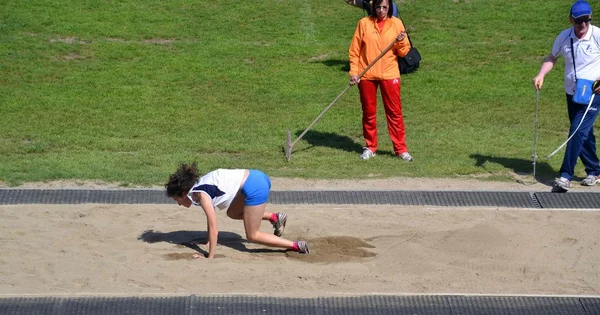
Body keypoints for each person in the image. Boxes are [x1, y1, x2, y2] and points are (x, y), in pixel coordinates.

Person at [165, 163, 310, 258]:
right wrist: (207, 243)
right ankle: (275, 217)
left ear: (183, 193)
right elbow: (210, 221)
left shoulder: (201, 195)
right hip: (255, 177)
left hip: (254, 185)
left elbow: (214, 227)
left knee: (252, 235)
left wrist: (209, 257)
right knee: (232, 213)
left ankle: (296, 245)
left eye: (176, 200)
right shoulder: (199, 187)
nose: (178, 204)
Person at [533, 0, 600, 192]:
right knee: (583, 134)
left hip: (594, 93)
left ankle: (565, 176)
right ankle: (595, 170)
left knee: (577, 131)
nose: (583, 25)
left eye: (586, 20)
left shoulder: (597, 35)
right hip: (572, 92)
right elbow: (552, 58)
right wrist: (541, 74)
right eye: (579, 21)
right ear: (571, 19)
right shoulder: (564, 37)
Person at [348, 0, 413, 161]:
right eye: (378, 7)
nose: (381, 10)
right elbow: (354, 51)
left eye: (385, 7)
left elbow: (404, 52)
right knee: (368, 113)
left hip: (390, 74)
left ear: (389, 7)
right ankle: (370, 146)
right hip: (367, 74)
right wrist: (354, 73)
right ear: (373, 7)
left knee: (394, 113)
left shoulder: (397, 24)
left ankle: (400, 149)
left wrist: (402, 40)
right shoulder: (364, 23)